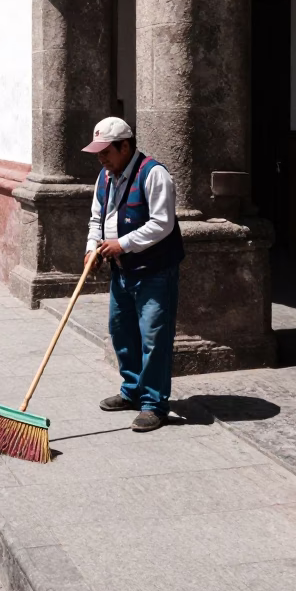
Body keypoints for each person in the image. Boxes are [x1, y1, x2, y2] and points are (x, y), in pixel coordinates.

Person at [83, 117, 184, 433]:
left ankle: (154, 405)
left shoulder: (154, 174)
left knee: (154, 337)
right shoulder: (105, 177)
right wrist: (91, 248)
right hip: (122, 271)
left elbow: (162, 224)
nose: (101, 159)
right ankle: (132, 390)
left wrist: (122, 244)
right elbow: (97, 218)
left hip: (154, 271)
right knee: (121, 330)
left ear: (125, 146)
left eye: (106, 152)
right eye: (98, 153)